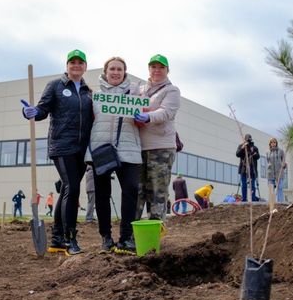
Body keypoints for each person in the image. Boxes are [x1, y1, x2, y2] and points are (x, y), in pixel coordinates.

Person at [22, 49, 93, 256]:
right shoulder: (56, 85)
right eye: (73, 62)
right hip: (62, 145)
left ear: (85, 67)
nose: (76, 66)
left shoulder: (89, 92)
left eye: (80, 63)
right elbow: (43, 110)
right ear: (67, 66)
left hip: (82, 148)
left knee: (67, 190)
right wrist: (33, 112)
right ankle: (70, 238)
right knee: (72, 187)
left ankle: (56, 239)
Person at [85, 57, 142, 255]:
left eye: (119, 69)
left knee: (131, 190)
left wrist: (141, 116)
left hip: (129, 149)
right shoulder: (95, 96)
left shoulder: (135, 94)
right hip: (101, 149)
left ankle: (126, 237)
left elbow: (143, 121)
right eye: (112, 69)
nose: (116, 72)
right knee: (102, 194)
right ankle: (105, 237)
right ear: (105, 71)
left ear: (124, 72)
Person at [134, 54, 181, 220]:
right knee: (137, 192)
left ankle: (154, 234)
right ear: (149, 69)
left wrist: (148, 117)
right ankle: (132, 234)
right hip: (139, 148)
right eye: (154, 67)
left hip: (161, 148)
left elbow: (166, 112)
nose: (157, 70)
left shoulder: (172, 90)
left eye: (161, 67)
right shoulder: (139, 90)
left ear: (167, 70)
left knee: (157, 192)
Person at [236, 133, 260, 202]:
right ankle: (244, 199)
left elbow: (258, 157)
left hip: (252, 169)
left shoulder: (254, 147)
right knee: (244, 185)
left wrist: (252, 151)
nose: (248, 142)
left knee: (252, 185)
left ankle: (253, 199)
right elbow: (237, 154)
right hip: (243, 169)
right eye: (246, 140)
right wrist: (242, 148)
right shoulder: (241, 146)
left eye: (249, 140)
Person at [267, 137, 286, 203]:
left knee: (279, 188)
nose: (273, 143)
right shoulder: (268, 152)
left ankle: (280, 202)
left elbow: (283, 160)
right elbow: (268, 161)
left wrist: (283, 165)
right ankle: (272, 202)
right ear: (270, 144)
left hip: (279, 173)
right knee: (271, 189)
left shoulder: (281, 151)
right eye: (271, 142)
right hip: (271, 173)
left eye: (274, 142)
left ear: (276, 143)